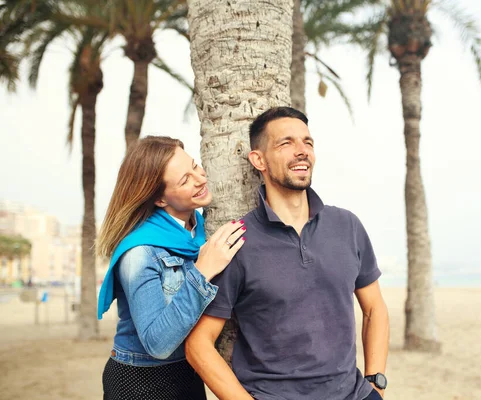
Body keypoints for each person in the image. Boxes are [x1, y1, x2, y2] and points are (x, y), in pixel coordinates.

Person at [185, 107, 390, 400]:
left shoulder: (347, 226)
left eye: (308, 142)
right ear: (259, 160)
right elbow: (198, 344)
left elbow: (374, 309)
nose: (302, 151)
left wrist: (376, 382)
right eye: (286, 143)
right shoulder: (237, 241)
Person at [96, 136, 246, 400]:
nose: (200, 179)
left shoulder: (201, 229)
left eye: (195, 167)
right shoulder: (140, 252)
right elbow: (158, 343)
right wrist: (202, 272)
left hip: (187, 373)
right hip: (140, 381)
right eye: (184, 180)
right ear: (160, 200)